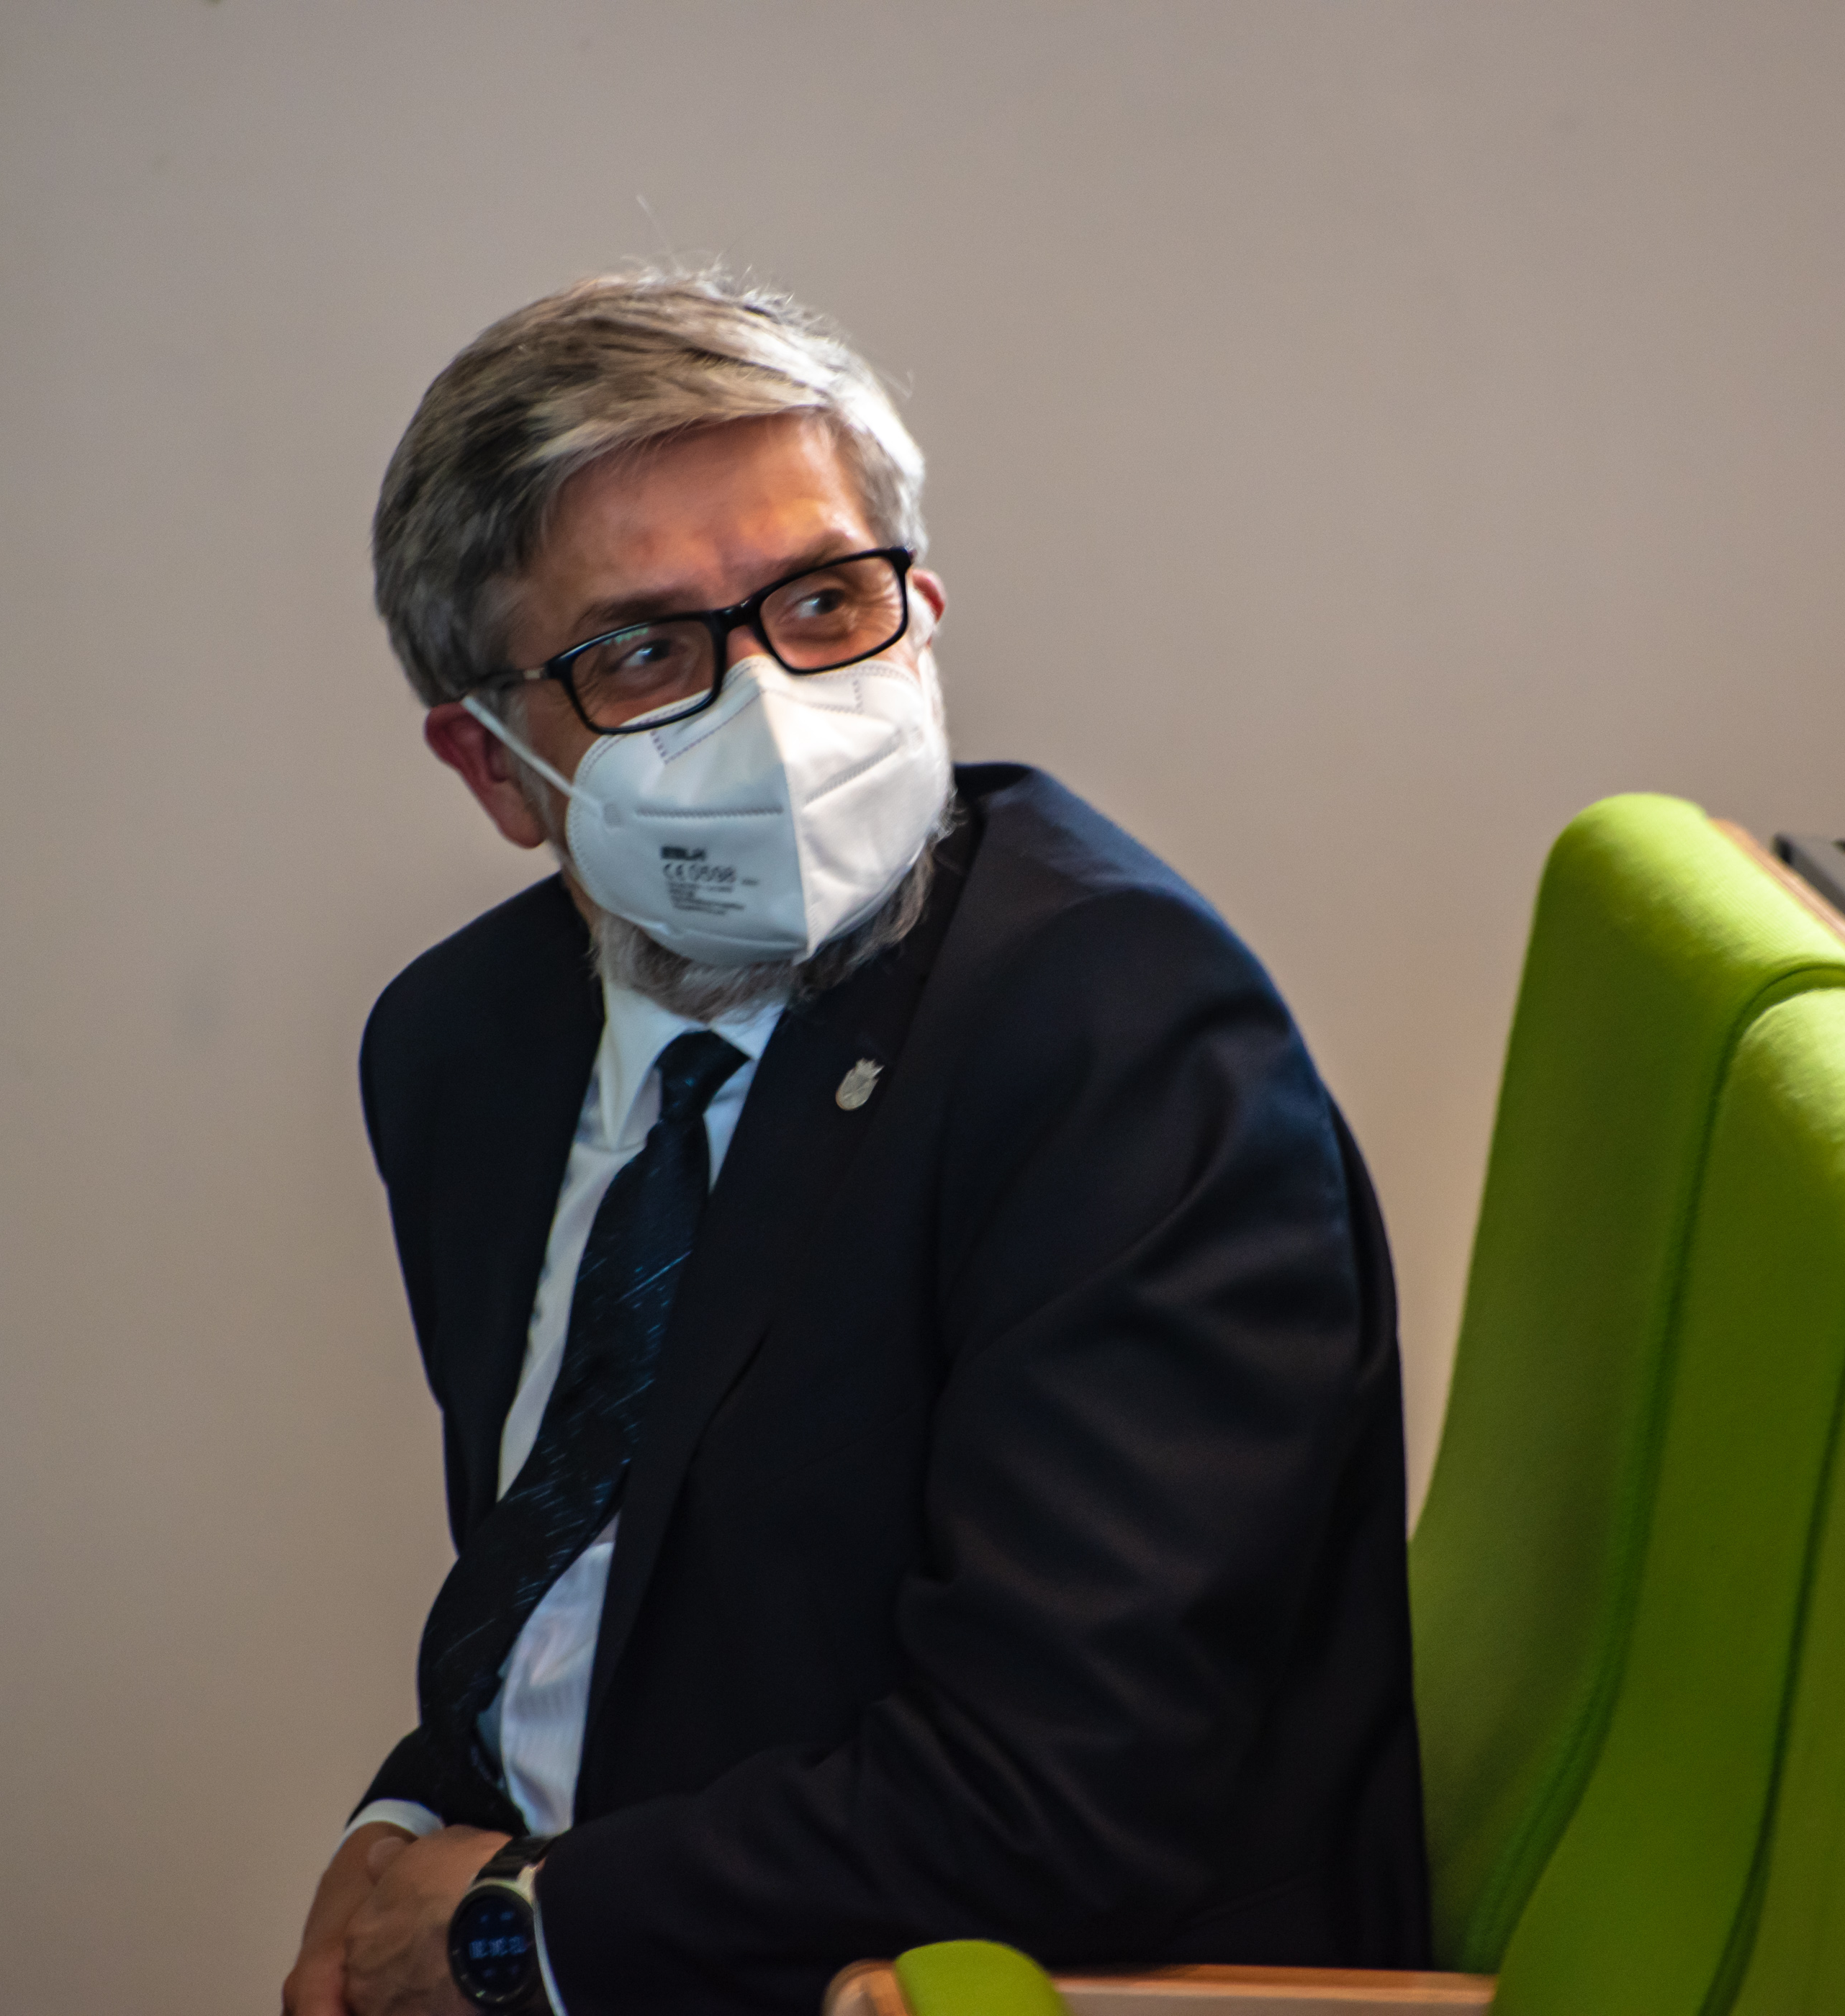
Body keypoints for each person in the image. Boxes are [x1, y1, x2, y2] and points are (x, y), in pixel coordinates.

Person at [283, 271, 1430, 2016]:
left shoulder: (1119, 1033)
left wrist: (516, 1928)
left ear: (923, 615)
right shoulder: (467, 1046)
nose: (772, 703)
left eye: (824, 600)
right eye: (646, 650)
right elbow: (600, 1585)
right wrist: (409, 1824)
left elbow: (1065, 1797)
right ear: (495, 765)